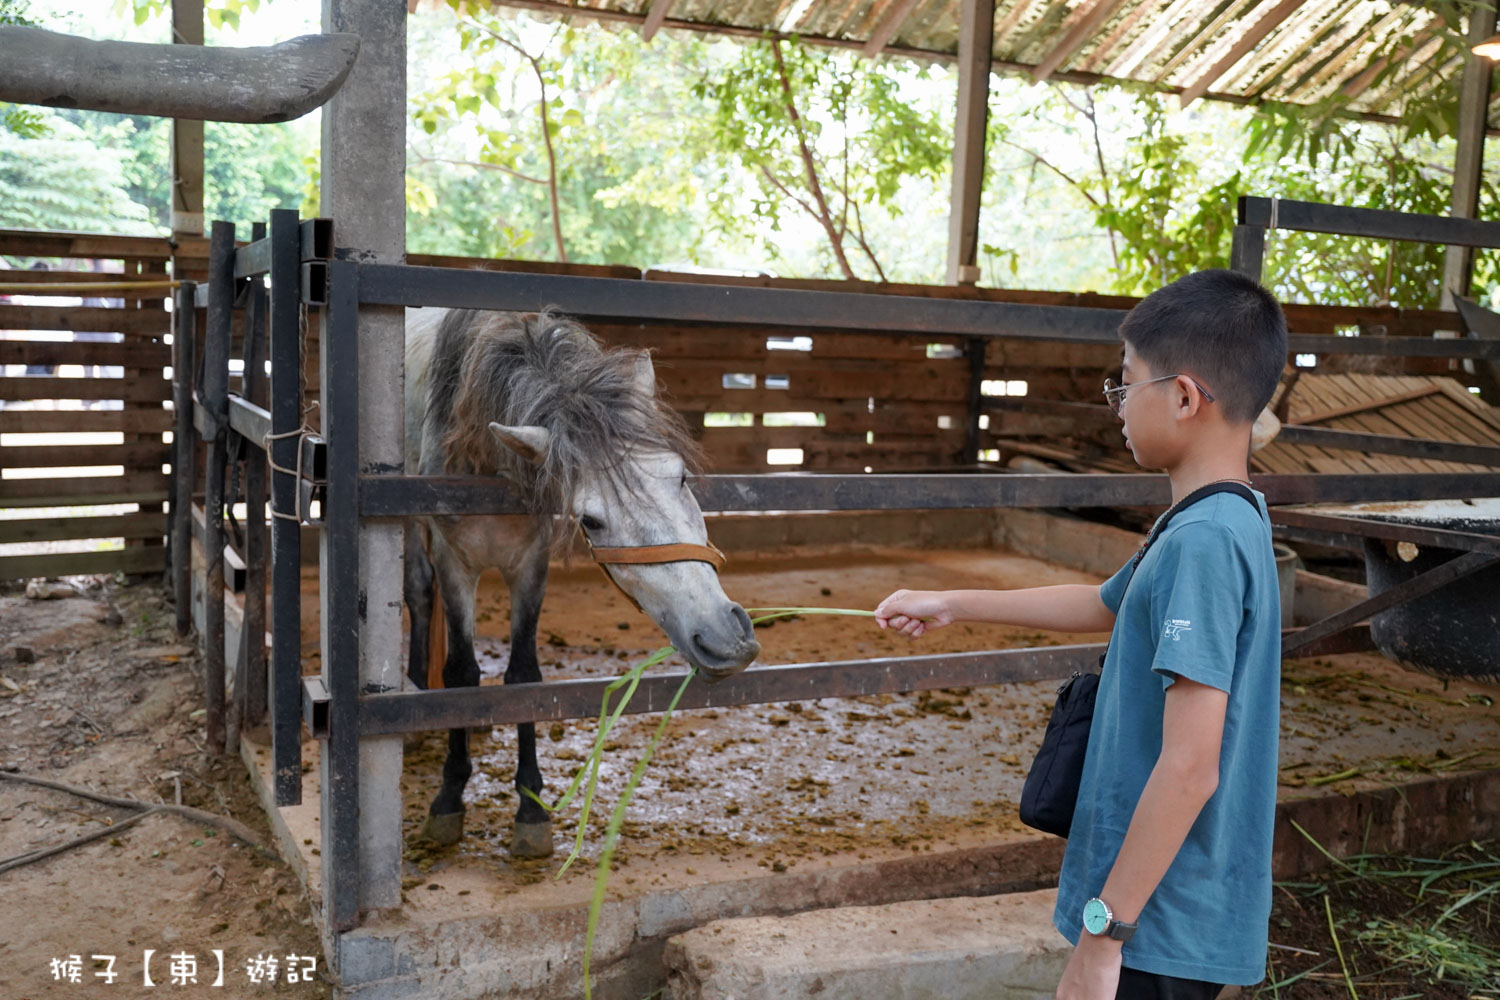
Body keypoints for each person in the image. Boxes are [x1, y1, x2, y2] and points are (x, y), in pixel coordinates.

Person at [874, 268, 1288, 1000]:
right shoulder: (1219, 519)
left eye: (1127, 383)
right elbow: (1105, 605)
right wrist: (953, 601)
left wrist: (1105, 935)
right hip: (1168, 913)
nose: (1118, 404)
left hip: (1158, 926)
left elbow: (1191, 767)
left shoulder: (1204, 544)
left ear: (1185, 397)